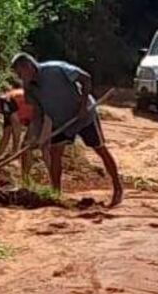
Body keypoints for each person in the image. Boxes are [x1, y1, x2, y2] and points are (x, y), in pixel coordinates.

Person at [10, 53, 123, 207]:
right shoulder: (30, 88)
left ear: (28, 66)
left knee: (99, 148)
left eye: (19, 73)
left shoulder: (56, 69)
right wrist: (34, 137)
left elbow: (86, 78)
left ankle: (117, 187)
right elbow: (38, 113)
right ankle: (56, 193)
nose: (19, 77)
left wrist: (83, 106)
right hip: (61, 121)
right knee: (54, 152)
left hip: (83, 116)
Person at [0, 87, 48, 184]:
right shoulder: (6, 108)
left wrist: (15, 150)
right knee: (26, 147)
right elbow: (6, 136)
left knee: (26, 146)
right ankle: (26, 179)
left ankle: (27, 179)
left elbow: (16, 127)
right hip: (35, 118)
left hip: (41, 115)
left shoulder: (7, 102)